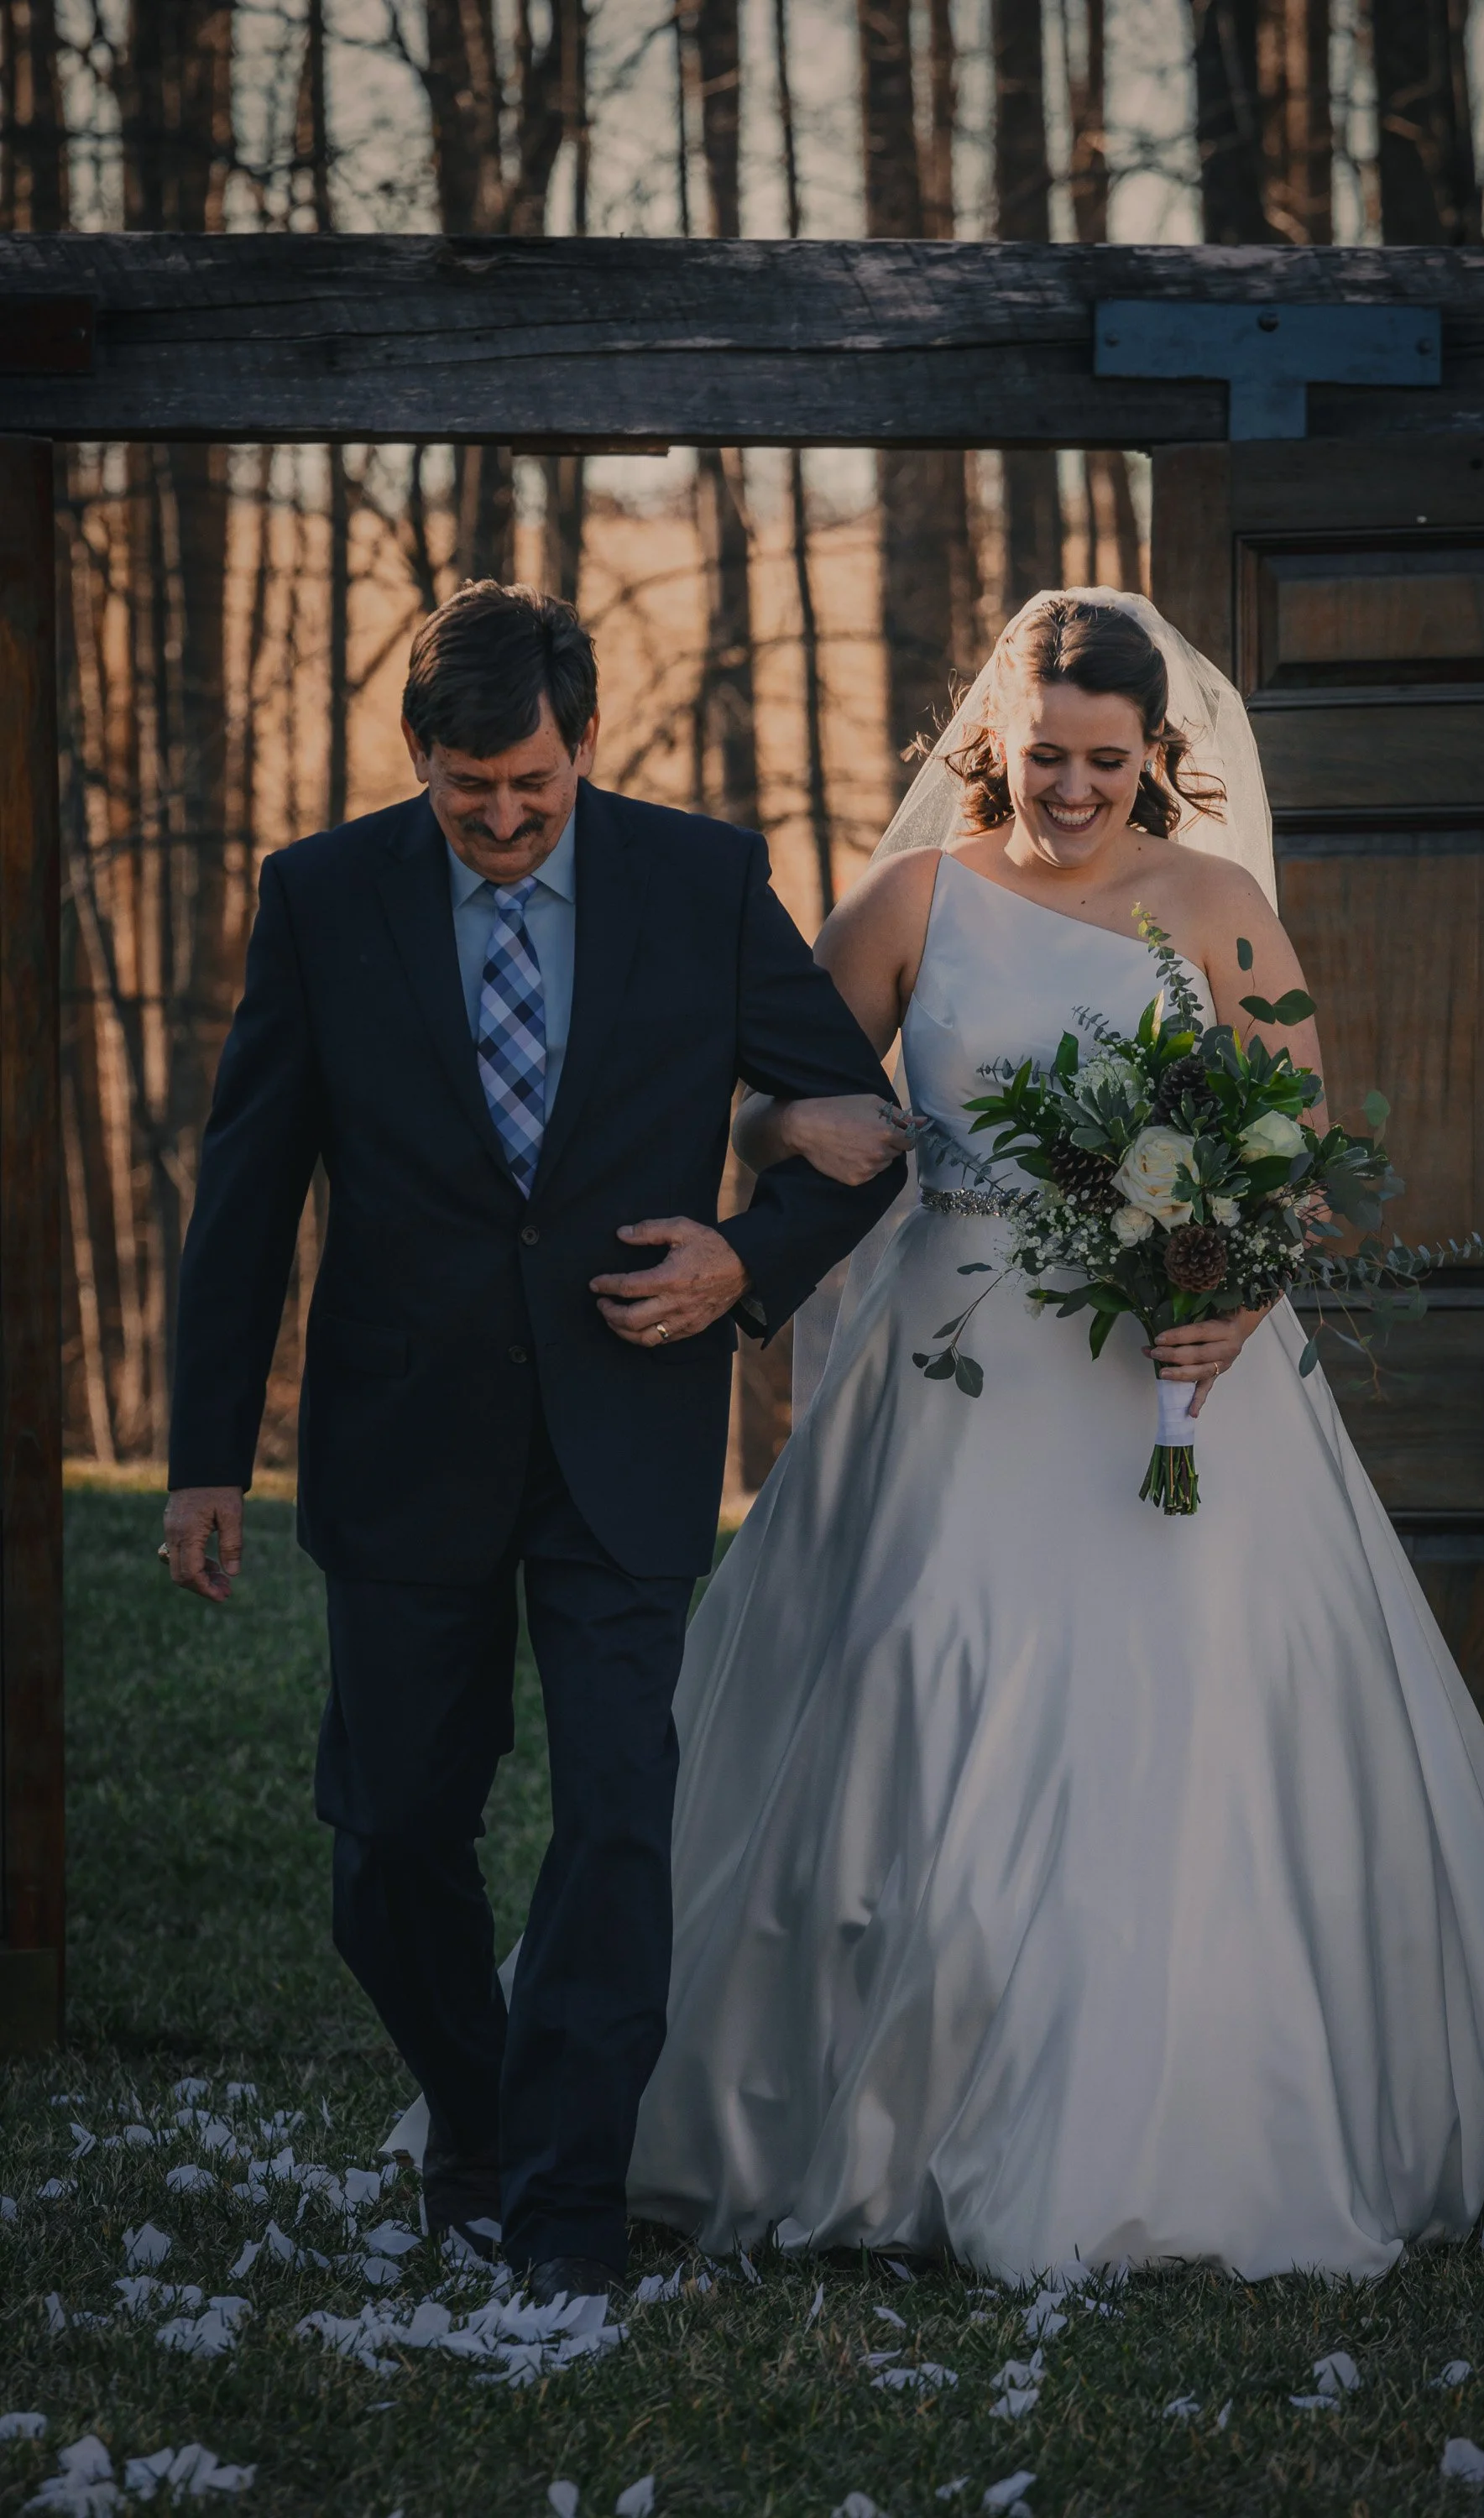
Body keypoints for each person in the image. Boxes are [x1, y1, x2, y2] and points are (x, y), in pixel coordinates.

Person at [614, 588, 1484, 2282]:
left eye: (1106, 761)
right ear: (986, 746)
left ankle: (1187, 2129)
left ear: (1157, 757)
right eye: (1041, 759)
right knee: (913, 1677)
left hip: (1175, 1370)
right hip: (952, 1379)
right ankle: (860, 2123)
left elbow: (1296, 1142)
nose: (1073, 790)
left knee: (1200, 1709)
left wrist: (1236, 1287)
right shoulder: (912, 900)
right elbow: (763, 1089)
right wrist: (788, 1110)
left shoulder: (1217, 910)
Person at [162, 581, 907, 2306]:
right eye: (464, 787)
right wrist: (208, 1454)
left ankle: (565, 2211)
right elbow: (250, 1184)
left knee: (618, 1815)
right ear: (418, 755)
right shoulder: (322, 894)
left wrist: (745, 1264)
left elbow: (853, 1130)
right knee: (393, 1841)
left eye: (531, 787)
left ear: (586, 745)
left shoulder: (702, 881)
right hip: (398, 1436)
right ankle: (480, 2120)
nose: (500, 820)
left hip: (627, 1428)